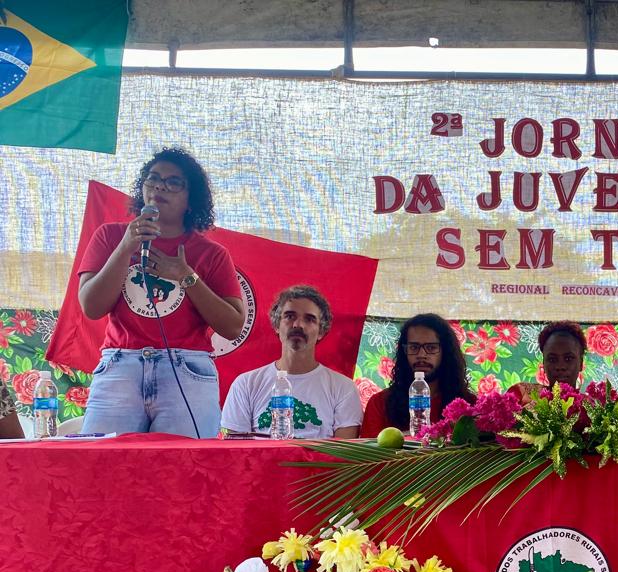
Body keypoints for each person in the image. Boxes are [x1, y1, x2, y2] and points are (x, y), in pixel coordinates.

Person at [77, 147, 244, 438]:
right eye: (152, 179)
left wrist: (185, 276)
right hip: (120, 366)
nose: (159, 187)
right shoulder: (110, 237)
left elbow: (232, 326)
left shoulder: (211, 254)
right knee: (104, 471)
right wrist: (126, 247)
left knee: (185, 472)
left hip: (187, 370)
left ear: (191, 201)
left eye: (173, 182)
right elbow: (91, 307)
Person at [221, 286, 362, 438]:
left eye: (309, 319)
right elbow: (235, 451)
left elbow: (344, 456)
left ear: (321, 331)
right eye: (289, 316)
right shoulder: (246, 384)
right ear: (276, 325)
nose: (298, 325)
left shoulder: (344, 388)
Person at [361, 314, 475, 436]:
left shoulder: (469, 405)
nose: (421, 354)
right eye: (414, 347)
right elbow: (370, 452)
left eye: (431, 347)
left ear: (446, 352)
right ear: (404, 352)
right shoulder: (380, 403)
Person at [510, 321, 587, 402]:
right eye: (552, 359)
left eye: (568, 359)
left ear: (581, 363)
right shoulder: (522, 394)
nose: (560, 366)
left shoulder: (591, 408)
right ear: (543, 364)